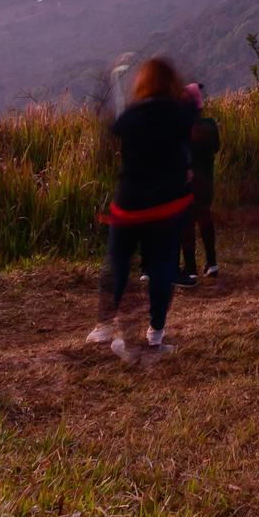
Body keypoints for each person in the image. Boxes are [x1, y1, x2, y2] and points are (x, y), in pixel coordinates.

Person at [87, 57, 195, 362]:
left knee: (118, 263)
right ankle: (155, 335)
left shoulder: (133, 116)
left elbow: (113, 127)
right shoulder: (180, 114)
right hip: (167, 205)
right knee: (161, 268)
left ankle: (104, 325)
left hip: (129, 204)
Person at [180, 83, 222, 283]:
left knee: (186, 224)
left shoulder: (180, 128)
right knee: (205, 220)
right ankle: (212, 263)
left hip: (186, 185)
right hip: (207, 182)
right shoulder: (210, 125)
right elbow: (216, 148)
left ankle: (190, 269)